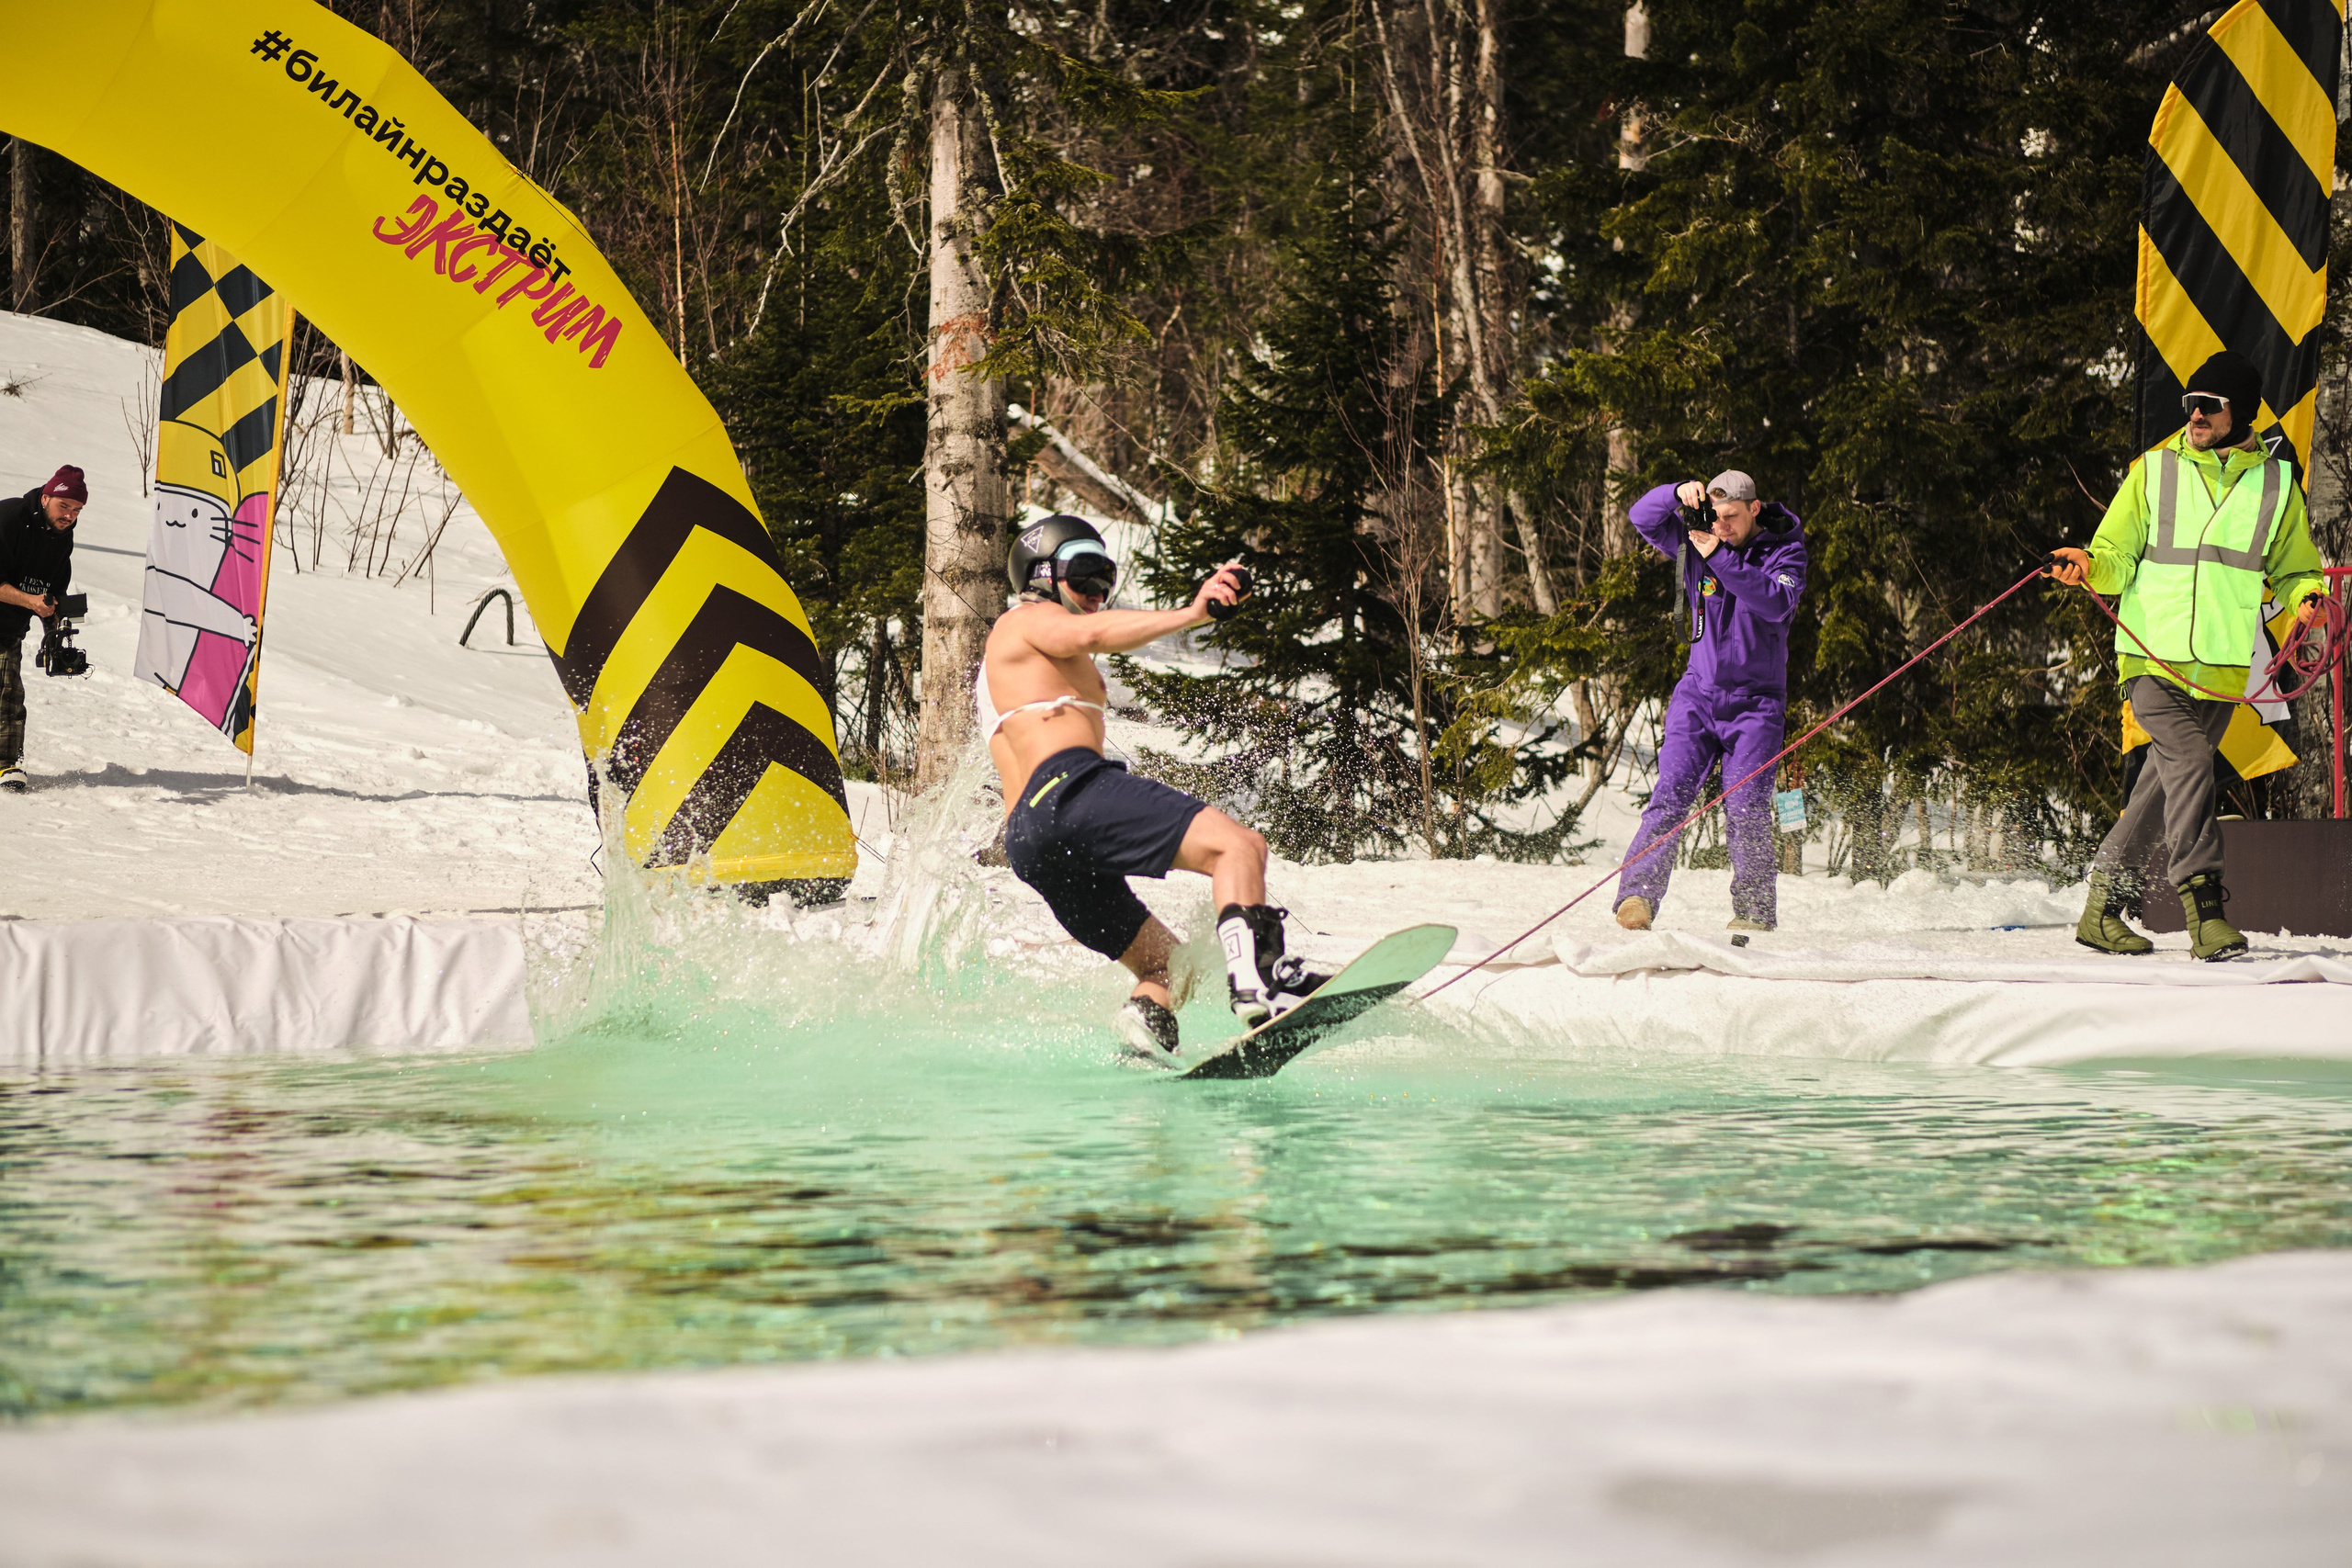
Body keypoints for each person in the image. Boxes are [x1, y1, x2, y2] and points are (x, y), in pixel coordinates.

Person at [980, 513, 1328, 1064]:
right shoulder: (1025, 621)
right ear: (1042, 577)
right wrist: (1192, 613)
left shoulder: (1030, 666)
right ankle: (1261, 985)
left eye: (1107, 578)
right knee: (1240, 847)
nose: (1099, 592)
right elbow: (1092, 633)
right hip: (1066, 790)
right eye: (1086, 574)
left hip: (1033, 841)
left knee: (1167, 965)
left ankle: (1143, 1030)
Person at [2051, 349, 2327, 962]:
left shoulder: (2275, 483)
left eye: (2210, 405)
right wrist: (2090, 566)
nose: (2196, 414)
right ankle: (2205, 912)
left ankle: (2101, 907)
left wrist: (2307, 597)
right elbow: (2116, 554)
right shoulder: (2154, 470)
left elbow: (2294, 568)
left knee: (2158, 788)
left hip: (2222, 668)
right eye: (2191, 404)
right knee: (2192, 761)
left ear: (2241, 412)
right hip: (2152, 659)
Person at [1614, 470, 1807, 932]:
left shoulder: (1785, 549)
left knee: (1746, 808)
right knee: (1670, 795)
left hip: (1756, 705)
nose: (1722, 525)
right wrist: (1675, 493)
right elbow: (1640, 516)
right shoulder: (1697, 539)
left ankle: (1754, 911)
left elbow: (1775, 602)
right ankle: (1637, 897)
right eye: (1715, 516)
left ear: (1754, 509)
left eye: (1732, 516)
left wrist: (1718, 556)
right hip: (1698, 695)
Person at [0, 466, 87, 794]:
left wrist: (55, 628)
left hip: (8, 625)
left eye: (77, 510)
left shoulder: (62, 537)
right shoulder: (9, 518)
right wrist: (30, 601)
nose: (69, 516)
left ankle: (6, 764)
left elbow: (53, 591)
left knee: (7, 693)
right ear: (46, 496)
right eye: (64, 506)